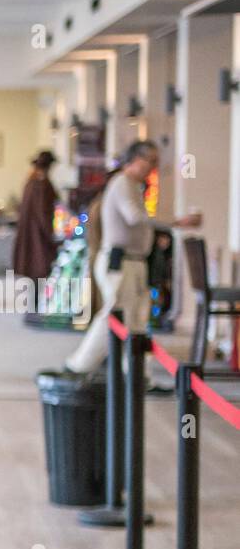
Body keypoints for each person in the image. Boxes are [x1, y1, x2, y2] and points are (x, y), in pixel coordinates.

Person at [64, 140, 200, 375]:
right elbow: (134, 217)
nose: (154, 167)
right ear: (137, 160)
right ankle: (78, 365)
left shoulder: (133, 186)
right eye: (152, 161)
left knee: (136, 321)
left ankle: (137, 375)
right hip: (120, 262)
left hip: (134, 262)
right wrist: (176, 222)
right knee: (114, 316)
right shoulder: (122, 183)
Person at [12, 150, 59, 287]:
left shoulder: (31, 181)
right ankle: (36, 305)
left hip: (30, 233)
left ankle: (33, 304)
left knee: (33, 272)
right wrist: (51, 235)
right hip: (38, 236)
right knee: (39, 269)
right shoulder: (41, 184)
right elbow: (43, 213)